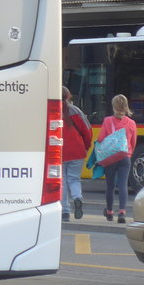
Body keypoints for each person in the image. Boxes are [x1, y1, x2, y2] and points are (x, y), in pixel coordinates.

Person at [99, 94, 138, 223]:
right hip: (125, 157)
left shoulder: (107, 121)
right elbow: (133, 142)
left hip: (110, 158)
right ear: (126, 107)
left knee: (110, 186)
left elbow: (100, 139)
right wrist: (128, 154)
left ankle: (110, 212)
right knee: (122, 185)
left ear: (113, 106)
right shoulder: (131, 123)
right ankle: (122, 213)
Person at [60, 87, 92, 222]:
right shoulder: (75, 111)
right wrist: (86, 147)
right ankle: (77, 197)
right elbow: (87, 131)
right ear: (69, 96)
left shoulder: (51, 110)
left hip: (59, 151)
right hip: (77, 150)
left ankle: (65, 211)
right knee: (74, 179)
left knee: (62, 180)